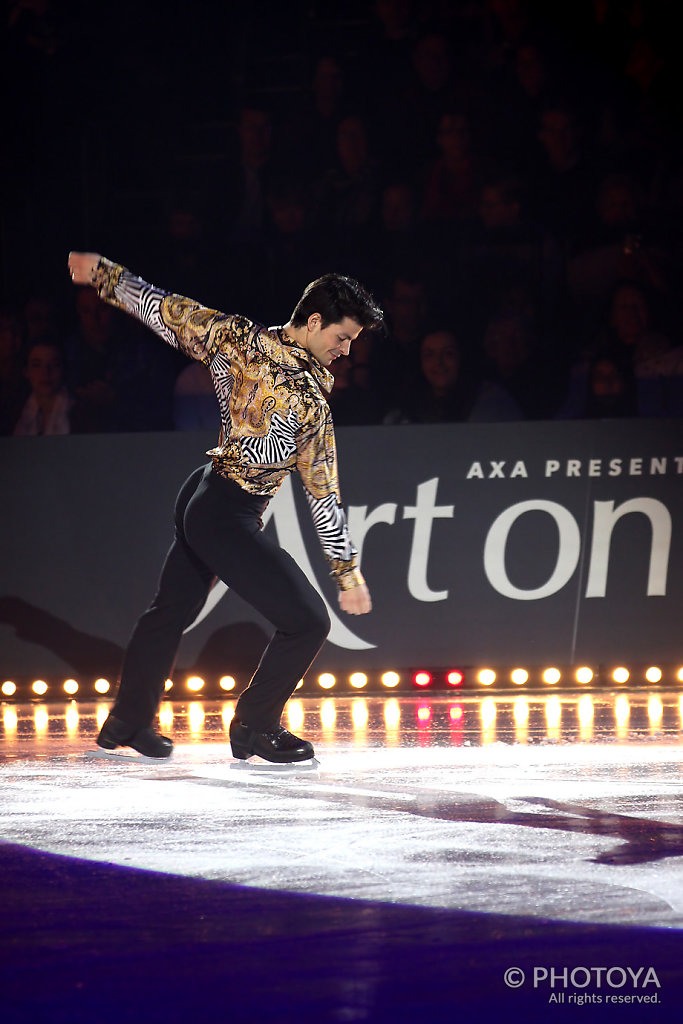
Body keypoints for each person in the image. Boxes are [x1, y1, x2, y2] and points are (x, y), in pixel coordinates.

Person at [67, 251, 382, 762]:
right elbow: (322, 492)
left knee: (169, 611)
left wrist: (105, 276)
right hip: (224, 514)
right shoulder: (303, 396)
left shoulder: (239, 338)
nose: (346, 351)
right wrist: (346, 575)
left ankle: (126, 721)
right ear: (316, 321)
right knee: (308, 622)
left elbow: (166, 310)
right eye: (342, 338)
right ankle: (255, 727)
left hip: (204, 492)